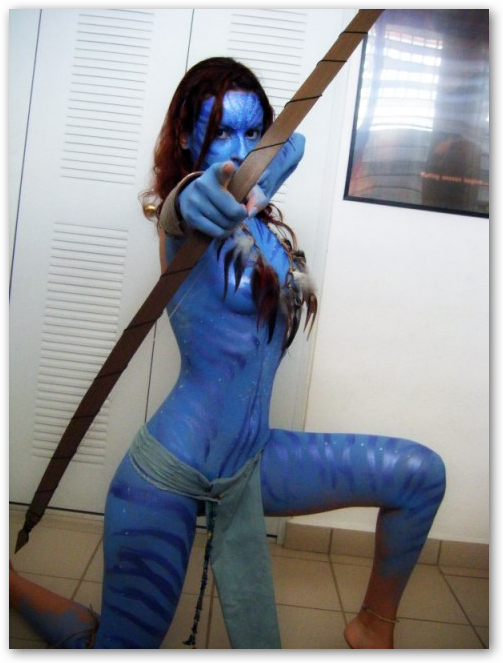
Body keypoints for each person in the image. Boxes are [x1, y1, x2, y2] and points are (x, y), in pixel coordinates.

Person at [10, 57, 446, 649]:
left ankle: (372, 626)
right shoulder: (188, 227)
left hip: (252, 458)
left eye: (252, 131)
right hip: (169, 471)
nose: (240, 151)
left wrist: (257, 176)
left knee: (420, 475)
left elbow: (295, 144)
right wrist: (190, 192)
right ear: (187, 139)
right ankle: (12, 586)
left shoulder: (258, 220)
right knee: (116, 648)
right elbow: (182, 205)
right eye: (220, 132)